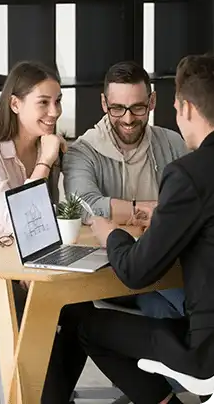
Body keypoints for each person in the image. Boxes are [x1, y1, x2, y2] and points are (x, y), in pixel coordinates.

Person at [79, 54, 214, 404]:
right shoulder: (87, 149)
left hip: (206, 351)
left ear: (183, 108)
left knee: (86, 327)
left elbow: (136, 271)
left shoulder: (189, 172)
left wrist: (111, 233)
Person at [0, 60, 92, 404]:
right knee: (39, 316)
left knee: (84, 313)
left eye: (58, 101)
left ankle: (51, 397)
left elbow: (64, 212)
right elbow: (16, 219)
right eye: (44, 102)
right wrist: (45, 163)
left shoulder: (46, 146)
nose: (54, 111)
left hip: (33, 265)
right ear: (15, 104)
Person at [63, 61, 186, 318]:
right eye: (117, 109)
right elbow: (84, 204)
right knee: (168, 310)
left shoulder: (172, 142)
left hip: (166, 261)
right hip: (112, 268)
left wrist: (123, 217)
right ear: (104, 104)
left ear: (152, 101)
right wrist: (151, 211)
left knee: (170, 309)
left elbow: (190, 204)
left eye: (138, 108)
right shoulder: (83, 150)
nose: (128, 119)